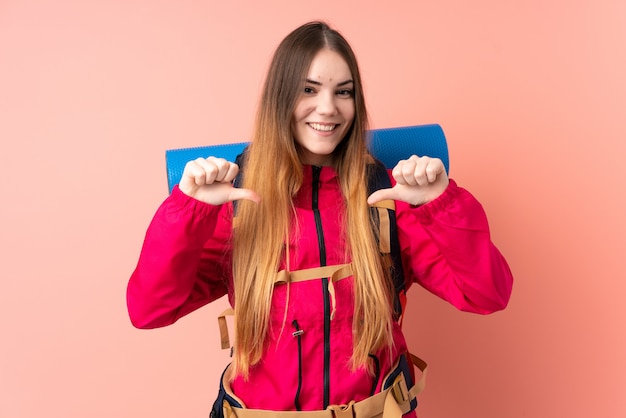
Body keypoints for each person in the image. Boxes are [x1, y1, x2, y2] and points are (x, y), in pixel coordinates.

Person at [127, 21, 513, 418]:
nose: (328, 107)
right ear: (280, 98)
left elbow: (487, 294)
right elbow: (148, 310)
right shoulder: (235, 203)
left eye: (343, 92)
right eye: (308, 90)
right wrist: (191, 210)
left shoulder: (388, 197)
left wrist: (439, 203)